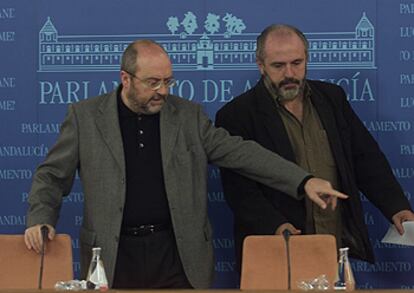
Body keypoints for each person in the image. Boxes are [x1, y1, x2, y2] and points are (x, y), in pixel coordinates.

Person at [24, 39, 346, 289]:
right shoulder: (85, 117)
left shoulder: (189, 116)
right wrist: (40, 217)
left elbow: (243, 153)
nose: (162, 91)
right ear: (126, 78)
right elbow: (52, 175)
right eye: (153, 83)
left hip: (178, 255)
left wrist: (303, 181)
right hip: (113, 255)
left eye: (168, 82)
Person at [216, 24, 414, 272]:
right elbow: (239, 190)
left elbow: (365, 159)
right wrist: (276, 226)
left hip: (332, 241)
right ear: (260, 65)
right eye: (278, 65)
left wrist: (396, 206)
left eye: (297, 63)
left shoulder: (332, 98)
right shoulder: (236, 115)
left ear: (307, 59)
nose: (289, 73)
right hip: (276, 247)